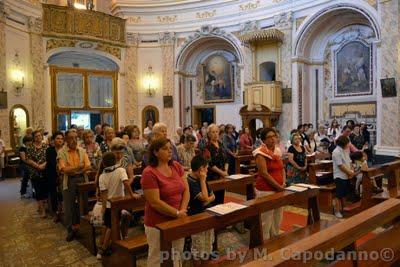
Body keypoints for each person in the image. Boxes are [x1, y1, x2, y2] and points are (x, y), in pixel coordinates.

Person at [141, 138, 189, 267]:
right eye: (165, 149)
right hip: (157, 222)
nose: (169, 151)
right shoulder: (149, 172)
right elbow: (155, 202)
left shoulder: (176, 166)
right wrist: (177, 213)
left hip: (178, 218)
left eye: (170, 148)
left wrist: (182, 211)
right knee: (157, 256)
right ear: (155, 152)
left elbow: (186, 190)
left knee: (177, 253)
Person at [97, 152, 138, 260]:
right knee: (111, 227)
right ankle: (104, 249)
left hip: (110, 205)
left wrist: (104, 206)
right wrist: (131, 194)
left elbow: (104, 193)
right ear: (115, 161)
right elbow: (126, 183)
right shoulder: (120, 170)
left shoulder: (102, 176)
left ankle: (101, 246)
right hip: (119, 204)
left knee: (106, 225)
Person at [58, 130, 91, 241]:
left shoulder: (82, 150)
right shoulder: (62, 152)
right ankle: (70, 230)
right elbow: (64, 169)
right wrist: (78, 167)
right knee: (69, 206)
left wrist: (75, 170)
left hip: (82, 179)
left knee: (83, 204)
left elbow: (88, 166)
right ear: (66, 140)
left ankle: (84, 228)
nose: (74, 140)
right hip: (69, 181)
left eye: (76, 138)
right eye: (71, 138)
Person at [253, 127, 285, 239]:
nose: (272, 139)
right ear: (263, 140)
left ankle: (275, 239)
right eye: (269, 137)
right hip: (265, 190)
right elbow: (264, 174)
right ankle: (265, 243)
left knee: (277, 216)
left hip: (279, 189)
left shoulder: (277, 151)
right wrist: (279, 187)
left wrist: (283, 183)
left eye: (274, 136)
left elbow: (282, 168)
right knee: (266, 219)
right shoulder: (260, 153)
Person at [187, 155, 215, 264]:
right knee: (198, 248)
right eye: (206, 168)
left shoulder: (201, 178)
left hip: (207, 213)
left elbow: (212, 196)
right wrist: (203, 180)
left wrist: (206, 200)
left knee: (208, 245)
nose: (207, 170)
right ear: (200, 169)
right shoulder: (190, 181)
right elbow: (204, 198)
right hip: (196, 216)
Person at [200, 124, 228, 205]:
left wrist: (225, 171)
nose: (215, 134)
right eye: (213, 132)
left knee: (221, 199)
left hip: (222, 176)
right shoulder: (206, 146)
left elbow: (226, 159)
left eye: (217, 132)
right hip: (212, 176)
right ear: (209, 134)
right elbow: (209, 164)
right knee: (213, 202)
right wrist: (222, 172)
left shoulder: (220, 144)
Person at [26, 130, 48, 217]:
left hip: (45, 170)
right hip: (34, 171)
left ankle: (42, 206)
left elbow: (49, 157)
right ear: (33, 138)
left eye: (40, 136)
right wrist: (37, 166)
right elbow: (28, 159)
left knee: (44, 190)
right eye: (36, 136)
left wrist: (43, 165)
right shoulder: (30, 147)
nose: (38, 137)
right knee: (38, 191)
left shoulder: (45, 146)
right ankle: (42, 210)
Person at [332, 136, 354, 218]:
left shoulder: (345, 150)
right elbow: (340, 165)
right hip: (339, 176)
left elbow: (350, 161)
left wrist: (351, 171)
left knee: (344, 194)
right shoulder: (336, 152)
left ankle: (344, 209)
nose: (349, 144)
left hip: (347, 175)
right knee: (339, 195)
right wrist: (349, 172)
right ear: (343, 143)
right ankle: (337, 211)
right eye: (348, 143)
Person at [46, 131, 64, 222]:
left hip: (63, 174)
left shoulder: (65, 149)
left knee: (62, 194)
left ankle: (62, 210)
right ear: (53, 140)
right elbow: (51, 163)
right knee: (53, 194)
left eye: (61, 138)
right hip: (52, 174)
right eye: (58, 138)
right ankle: (56, 213)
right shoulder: (49, 150)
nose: (60, 140)